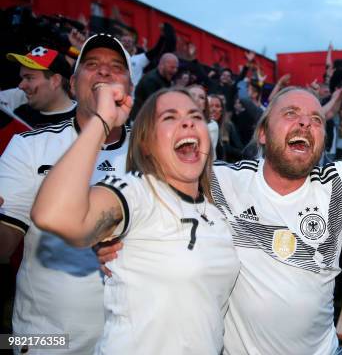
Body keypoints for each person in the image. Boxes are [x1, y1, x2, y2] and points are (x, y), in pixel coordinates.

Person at [99, 13, 342, 355]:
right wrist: (110, 234)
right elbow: (134, 192)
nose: (305, 122)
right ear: (262, 133)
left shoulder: (336, 186)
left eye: (316, 119)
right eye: (290, 114)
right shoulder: (222, 183)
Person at [31, 86, 240, 354]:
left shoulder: (217, 214)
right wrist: (102, 121)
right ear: (146, 143)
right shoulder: (138, 192)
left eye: (196, 116)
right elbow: (54, 215)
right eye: (169, 117)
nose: (188, 121)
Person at [0, 34, 133, 354]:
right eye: (92, 65)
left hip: (130, 342)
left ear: (130, 88)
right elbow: (3, 245)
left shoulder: (154, 156)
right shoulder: (29, 146)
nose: (104, 71)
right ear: (73, 85)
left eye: (116, 67)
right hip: (46, 343)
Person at [1, 46, 76, 128]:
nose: (20, 86)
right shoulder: (19, 114)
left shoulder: (84, 122)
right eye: (22, 78)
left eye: (29, 78)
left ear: (55, 81)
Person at [131, 52, 179, 119]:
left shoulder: (166, 77)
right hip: (141, 120)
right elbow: (155, 104)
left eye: (176, 68)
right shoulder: (150, 80)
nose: (175, 71)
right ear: (162, 65)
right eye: (172, 67)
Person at [187, 83, 219, 160]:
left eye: (201, 97)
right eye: (192, 95)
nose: (196, 99)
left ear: (205, 105)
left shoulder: (211, 125)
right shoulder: (173, 123)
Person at [209, 94, 244, 162]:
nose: (214, 109)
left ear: (221, 111)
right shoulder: (201, 127)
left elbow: (241, 152)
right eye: (210, 106)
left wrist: (225, 147)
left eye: (217, 106)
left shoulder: (228, 126)